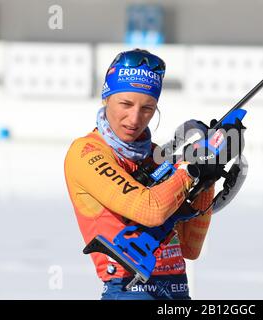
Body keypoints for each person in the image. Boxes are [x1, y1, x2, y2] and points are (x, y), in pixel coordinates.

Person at [64, 49, 231, 300]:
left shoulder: (155, 156)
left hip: (177, 291)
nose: (134, 118)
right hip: (129, 288)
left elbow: (190, 247)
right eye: (126, 104)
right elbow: (149, 210)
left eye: (147, 108)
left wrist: (206, 178)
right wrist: (189, 170)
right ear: (105, 98)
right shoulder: (86, 152)